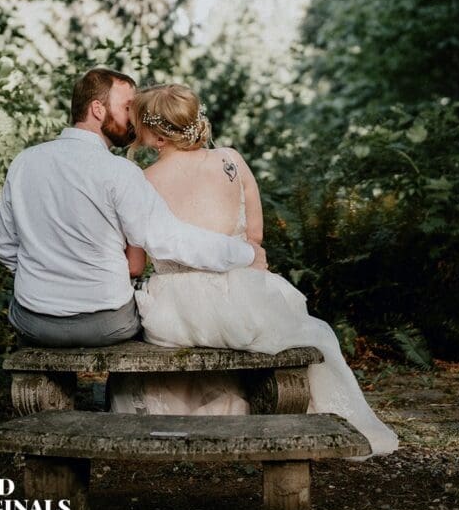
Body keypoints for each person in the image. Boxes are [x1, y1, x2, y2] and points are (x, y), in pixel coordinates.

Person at [108, 83, 398, 459]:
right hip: (241, 293)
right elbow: (256, 239)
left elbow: (137, 259)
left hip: (178, 307)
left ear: (158, 136)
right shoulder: (230, 160)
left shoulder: (144, 181)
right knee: (301, 332)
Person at [0, 68, 268, 348]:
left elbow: (5, 249)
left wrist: (43, 281)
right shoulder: (121, 172)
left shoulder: (23, 163)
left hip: (34, 321)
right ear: (98, 109)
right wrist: (244, 252)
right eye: (127, 107)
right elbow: (168, 240)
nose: (134, 119)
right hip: (106, 322)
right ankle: (109, 393)